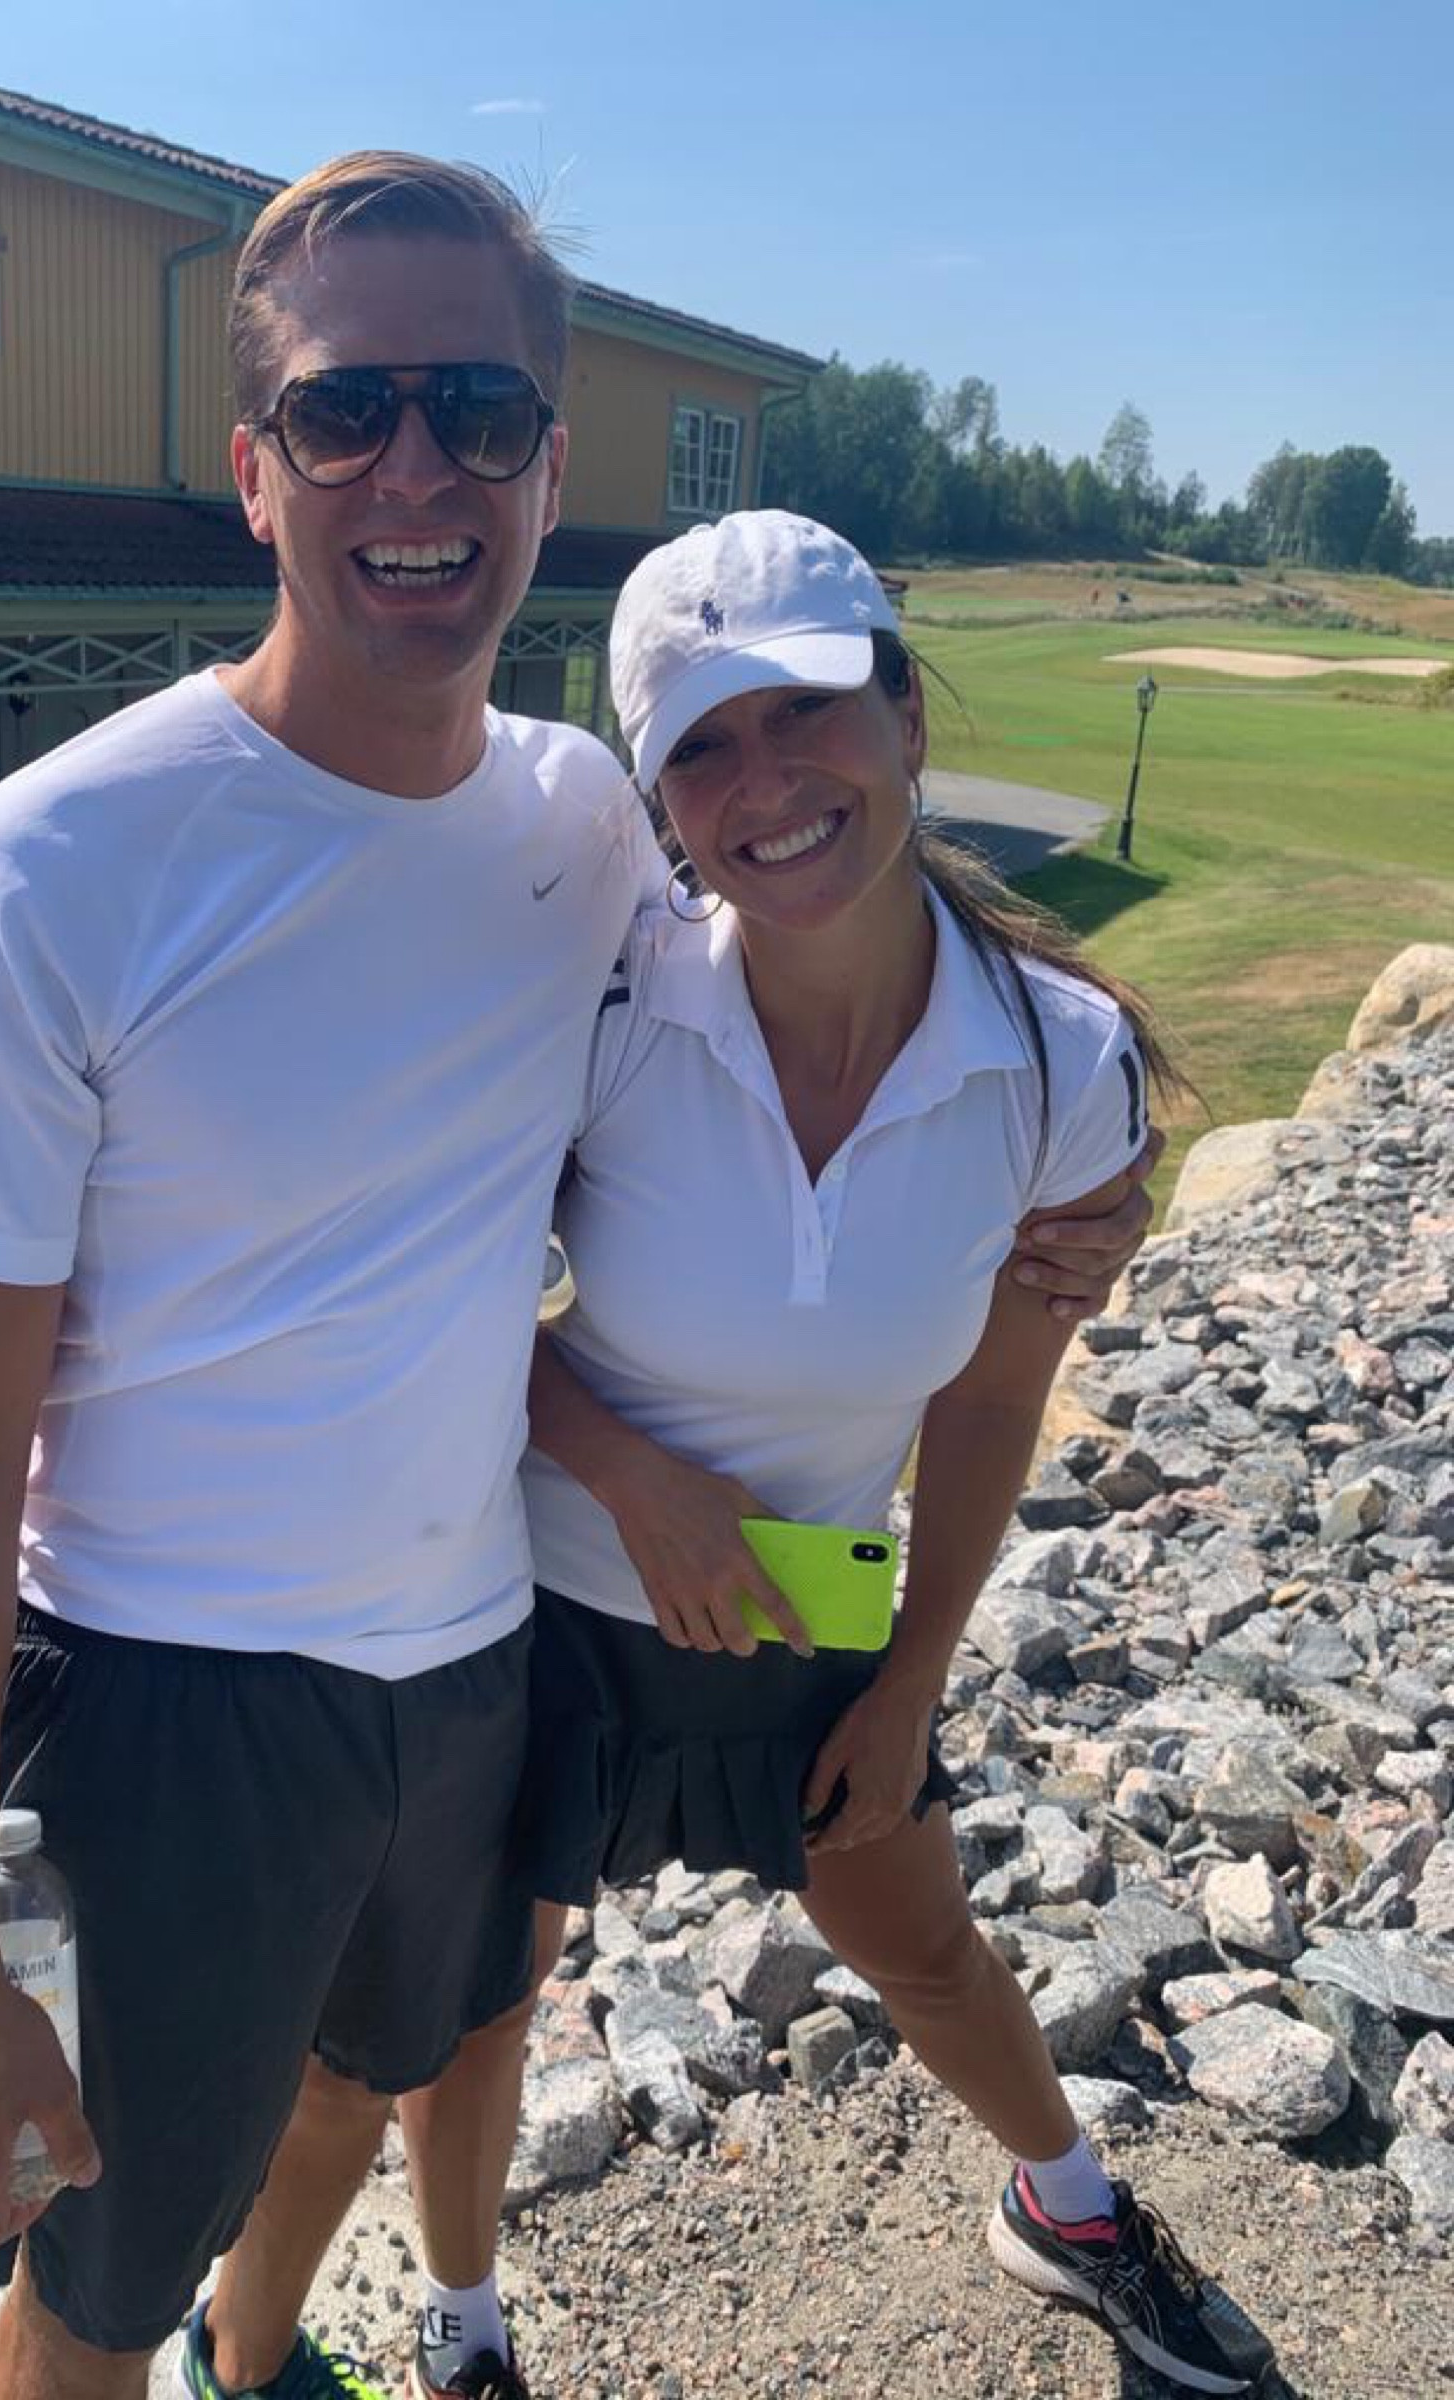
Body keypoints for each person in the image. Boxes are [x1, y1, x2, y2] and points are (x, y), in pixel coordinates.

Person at [0, 153, 1151, 2400]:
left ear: (550, 469)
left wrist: (1090, 1143)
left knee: (355, 2095)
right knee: (90, 2291)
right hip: (179, 1701)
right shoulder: (46, 867)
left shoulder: (581, 829)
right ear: (254, 469)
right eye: (345, 410)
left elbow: (840, 925)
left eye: (475, 409)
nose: (415, 469)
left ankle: (277, 2365)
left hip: (468, 1672)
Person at [403, 512, 1272, 2400]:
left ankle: (1069, 2207)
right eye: (703, 745)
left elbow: (988, 1401)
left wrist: (912, 1682)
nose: (765, 784)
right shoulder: (603, 1006)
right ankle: (462, 2332)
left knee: (924, 1941)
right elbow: (433, 1304)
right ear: (656, 800)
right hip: (526, 1599)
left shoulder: (1062, 1064)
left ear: (907, 718)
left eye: (805, 710)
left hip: (814, 1602)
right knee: (484, 2000)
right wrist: (636, 1479)